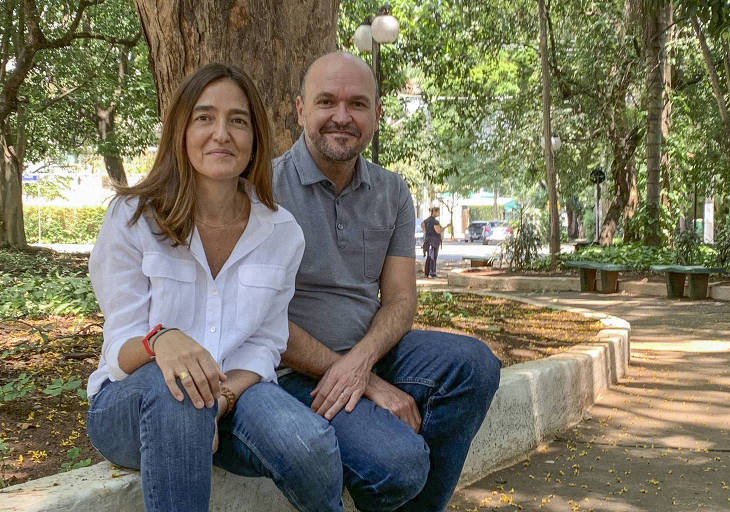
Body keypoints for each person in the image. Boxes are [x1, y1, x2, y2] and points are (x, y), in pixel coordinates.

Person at [86, 63, 344, 512]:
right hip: (130, 403)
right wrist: (161, 342)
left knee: (307, 442)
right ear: (181, 131)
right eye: (204, 117)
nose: (221, 133)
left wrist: (221, 403)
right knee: (180, 394)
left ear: (254, 138)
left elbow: (264, 345)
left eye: (237, 121)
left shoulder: (282, 232)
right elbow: (119, 353)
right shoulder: (132, 217)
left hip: (233, 394)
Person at [273, 52, 501, 512]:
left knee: (474, 364)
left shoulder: (393, 192)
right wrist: (367, 382)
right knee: (400, 465)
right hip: (289, 373)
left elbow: (399, 300)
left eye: (357, 104)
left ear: (377, 115)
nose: (342, 116)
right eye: (326, 102)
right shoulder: (263, 189)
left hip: (372, 353)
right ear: (300, 109)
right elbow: (258, 320)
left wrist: (362, 364)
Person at [421, 207, 443, 278]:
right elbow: (438, 231)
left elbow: (422, 225)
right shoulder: (436, 222)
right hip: (434, 242)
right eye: (437, 212)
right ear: (434, 212)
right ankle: (432, 272)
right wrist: (443, 228)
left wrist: (426, 232)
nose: (438, 213)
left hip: (428, 241)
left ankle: (427, 273)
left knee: (429, 257)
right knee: (433, 257)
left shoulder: (426, 220)